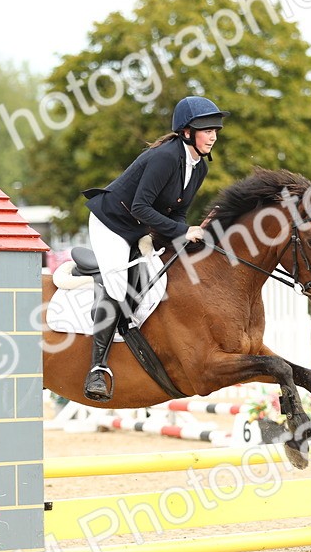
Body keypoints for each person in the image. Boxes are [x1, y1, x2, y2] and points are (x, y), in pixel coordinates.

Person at [79, 95, 228, 402]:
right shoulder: (166, 157)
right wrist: (182, 231)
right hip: (112, 223)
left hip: (140, 227)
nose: (213, 135)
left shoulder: (198, 167)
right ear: (187, 132)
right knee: (119, 286)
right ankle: (97, 368)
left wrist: (182, 237)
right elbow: (141, 206)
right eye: (206, 129)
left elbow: (178, 213)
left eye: (216, 129)